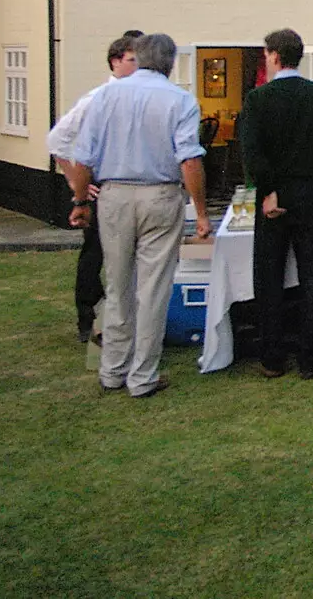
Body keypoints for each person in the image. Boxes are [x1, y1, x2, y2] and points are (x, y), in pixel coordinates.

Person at [69, 33, 211, 398]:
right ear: (168, 63)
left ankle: (111, 370)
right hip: (160, 195)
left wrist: (80, 201)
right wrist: (201, 211)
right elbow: (189, 159)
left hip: (114, 194)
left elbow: (81, 156)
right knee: (153, 288)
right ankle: (142, 375)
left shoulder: (105, 96)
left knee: (118, 285)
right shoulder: (180, 99)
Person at [240, 28, 313, 380]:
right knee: (311, 275)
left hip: (273, 194)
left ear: (274, 55)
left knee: (269, 276)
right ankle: (311, 357)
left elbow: (252, 152)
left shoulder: (258, 99)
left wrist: (269, 188)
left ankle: (273, 357)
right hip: (308, 190)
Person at [48, 31, 140, 342]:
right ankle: (89, 318)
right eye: (132, 60)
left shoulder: (142, 97)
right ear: (116, 62)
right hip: (100, 185)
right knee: (96, 253)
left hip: (133, 185)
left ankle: (127, 319)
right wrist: (78, 184)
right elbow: (58, 140)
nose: (138, 66)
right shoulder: (96, 98)